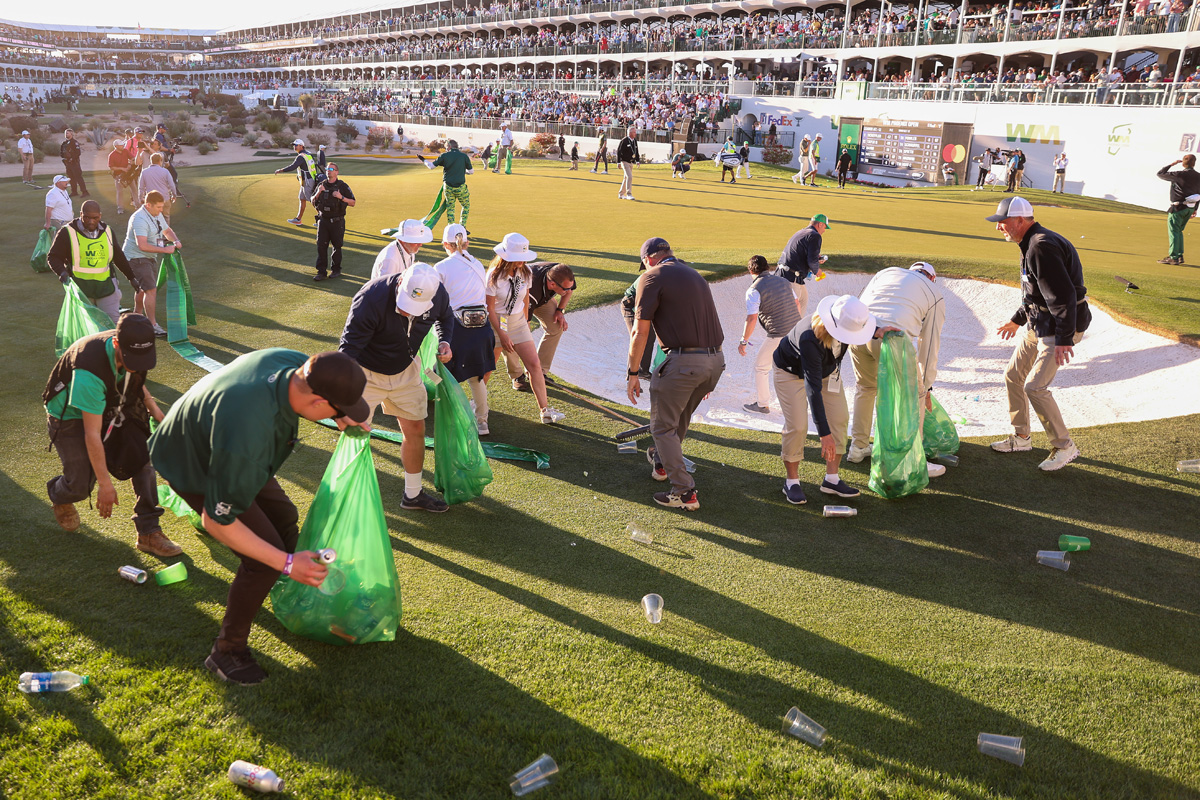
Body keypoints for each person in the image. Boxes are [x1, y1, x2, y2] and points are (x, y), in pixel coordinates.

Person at [149, 349, 371, 685]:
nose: (341, 416)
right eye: (338, 410)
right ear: (317, 402)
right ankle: (226, 650)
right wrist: (285, 562)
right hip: (191, 458)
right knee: (265, 560)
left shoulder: (295, 365)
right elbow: (216, 520)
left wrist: (341, 414)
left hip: (219, 435)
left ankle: (299, 593)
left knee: (284, 515)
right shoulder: (250, 435)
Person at [43, 313, 181, 556]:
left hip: (112, 401)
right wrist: (105, 485)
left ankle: (148, 532)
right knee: (81, 485)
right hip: (70, 416)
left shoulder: (133, 351)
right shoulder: (89, 372)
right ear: (117, 344)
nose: (137, 364)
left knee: (142, 458)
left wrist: (158, 413)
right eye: (132, 358)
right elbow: (92, 435)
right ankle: (59, 493)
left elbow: (137, 379)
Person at [986, 196, 1091, 471]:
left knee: (1035, 387)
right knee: (1013, 375)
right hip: (1039, 322)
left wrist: (1064, 339)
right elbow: (1035, 292)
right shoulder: (1029, 242)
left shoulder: (1040, 246)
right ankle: (1022, 437)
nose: (999, 228)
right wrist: (1017, 320)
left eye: (1003, 222)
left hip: (1057, 327)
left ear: (1020, 220)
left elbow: (1063, 296)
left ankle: (1064, 446)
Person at [340, 264, 452, 512]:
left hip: (407, 370)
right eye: (403, 304)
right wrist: (343, 393)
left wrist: (445, 341)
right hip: (366, 373)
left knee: (415, 429)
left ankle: (413, 495)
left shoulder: (438, 292)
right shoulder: (370, 297)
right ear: (401, 282)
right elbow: (348, 348)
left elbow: (446, 317)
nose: (405, 312)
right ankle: (349, 500)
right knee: (356, 435)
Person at [626, 237, 724, 511]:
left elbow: (639, 331)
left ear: (648, 259)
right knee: (679, 417)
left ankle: (684, 491)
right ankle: (661, 463)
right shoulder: (694, 274)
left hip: (683, 363)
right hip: (715, 361)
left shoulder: (651, 276)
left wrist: (633, 372)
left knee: (661, 426)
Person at [774, 295, 893, 505]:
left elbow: (861, 322)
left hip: (828, 372)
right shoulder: (809, 338)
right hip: (790, 373)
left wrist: (877, 331)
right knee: (798, 426)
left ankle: (831, 479)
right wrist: (824, 434)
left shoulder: (848, 313)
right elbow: (813, 390)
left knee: (839, 418)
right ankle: (791, 482)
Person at [847, 262, 947, 479]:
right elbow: (929, 346)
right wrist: (927, 386)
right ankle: (915, 460)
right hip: (891, 338)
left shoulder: (887, 273)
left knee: (865, 388)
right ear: (931, 278)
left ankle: (858, 448)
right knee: (915, 395)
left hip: (860, 333)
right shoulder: (934, 293)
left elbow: (861, 303)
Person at [486, 233, 566, 424]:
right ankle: (474, 403)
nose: (522, 260)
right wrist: (502, 334)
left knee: (534, 366)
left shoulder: (526, 272)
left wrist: (525, 321)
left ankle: (545, 411)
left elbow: (525, 298)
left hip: (518, 322)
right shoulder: (494, 276)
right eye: (518, 257)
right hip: (498, 322)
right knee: (488, 367)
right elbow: (489, 308)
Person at [434, 224, 495, 435]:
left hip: (455, 329)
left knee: (440, 374)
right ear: (466, 242)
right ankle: (482, 423)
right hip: (482, 329)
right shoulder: (478, 264)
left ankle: (450, 417)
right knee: (477, 378)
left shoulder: (440, 267)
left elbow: (436, 302)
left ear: (445, 244)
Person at [49, 200, 143, 325]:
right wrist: (61, 272)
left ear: (100, 216)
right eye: (86, 217)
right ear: (81, 214)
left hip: (106, 287)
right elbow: (53, 257)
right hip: (81, 289)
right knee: (87, 326)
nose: (91, 221)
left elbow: (118, 256)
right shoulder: (67, 232)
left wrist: (131, 277)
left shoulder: (108, 231)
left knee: (112, 325)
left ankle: (111, 345)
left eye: (95, 218)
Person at [738, 255, 801, 415]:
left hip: (778, 334)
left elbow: (751, 318)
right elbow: (797, 304)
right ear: (767, 268)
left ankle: (763, 405)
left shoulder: (753, 289)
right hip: (797, 331)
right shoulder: (784, 282)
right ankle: (800, 404)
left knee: (761, 367)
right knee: (795, 369)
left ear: (751, 270)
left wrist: (743, 341)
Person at [505, 262, 575, 391]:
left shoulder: (564, 275)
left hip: (543, 298)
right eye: (565, 289)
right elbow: (525, 323)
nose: (569, 291)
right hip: (518, 300)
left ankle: (539, 372)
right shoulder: (532, 289)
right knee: (511, 336)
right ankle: (517, 375)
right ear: (553, 284)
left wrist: (560, 310)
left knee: (555, 327)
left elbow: (569, 291)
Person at [122, 190, 182, 337]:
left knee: (143, 289)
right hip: (136, 257)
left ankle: (137, 316)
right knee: (150, 290)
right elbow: (142, 245)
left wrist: (176, 241)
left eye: (162, 207)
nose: (161, 210)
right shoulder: (139, 219)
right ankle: (152, 325)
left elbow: (167, 230)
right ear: (148, 205)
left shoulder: (156, 213)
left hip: (148, 256)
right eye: (159, 207)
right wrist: (165, 250)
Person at [310, 163, 355, 282]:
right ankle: (321, 272)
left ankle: (336, 270)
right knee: (321, 246)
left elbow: (353, 202)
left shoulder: (342, 186)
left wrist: (341, 197)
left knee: (337, 246)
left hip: (337, 222)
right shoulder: (321, 185)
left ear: (337, 172)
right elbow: (312, 200)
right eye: (327, 169)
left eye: (331, 169)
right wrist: (319, 192)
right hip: (323, 221)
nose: (328, 171)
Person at [777, 214, 831, 312]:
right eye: (824, 227)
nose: (824, 230)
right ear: (820, 224)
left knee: (803, 300)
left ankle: (798, 327)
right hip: (790, 278)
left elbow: (806, 255)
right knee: (791, 314)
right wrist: (817, 271)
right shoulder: (815, 236)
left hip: (788, 275)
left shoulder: (801, 232)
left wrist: (816, 258)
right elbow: (811, 261)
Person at [419, 139, 473, 233]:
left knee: (450, 207)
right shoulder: (464, 156)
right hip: (460, 187)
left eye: (446, 147)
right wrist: (461, 171)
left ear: (449, 146)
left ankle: (451, 229)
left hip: (448, 187)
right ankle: (462, 226)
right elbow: (471, 172)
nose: (445, 149)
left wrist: (423, 160)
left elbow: (431, 166)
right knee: (466, 205)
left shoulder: (444, 155)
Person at [1155, 154, 1200, 265]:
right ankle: (1179, 256)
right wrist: (1195, 208)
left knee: (1174, 231)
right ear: (1194, 163)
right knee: (1179, 231)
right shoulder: (1198, 176)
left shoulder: (1179, 174)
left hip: (1178, 207)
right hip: (1190, 208)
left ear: (1183, 163)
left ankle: (1174, 257)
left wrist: (1171, 164)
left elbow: (1160, 174)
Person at [273, 139, 326, 226]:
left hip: (308, 182)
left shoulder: (301, 156)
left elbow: (293, 167)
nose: (295, 146)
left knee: (313, 201)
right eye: (294, 145)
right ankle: (298, 219)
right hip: (307, 180)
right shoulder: (308, 154)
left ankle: (324, 220)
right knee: (302, 199)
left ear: (301, 146)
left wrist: (281, 170)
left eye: (296, 145)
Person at [108, 140, 135, 215]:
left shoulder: (125, 151)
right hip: (118, 176)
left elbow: (133, 158)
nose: (123, 146)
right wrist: (122, 168)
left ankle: (138, 205)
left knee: (134, 189)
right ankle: (120, 208)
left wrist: (129, 164)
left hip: (128, 174)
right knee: (120, 192)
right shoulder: (112, 155)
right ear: (116, 146)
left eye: (123, 145)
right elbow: (112, 167)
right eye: (121, 145)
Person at [59, 128, 88, 197]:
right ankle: (74, 191)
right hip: (67, 163)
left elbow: (78, 153)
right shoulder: (64, 143)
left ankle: (84, 192)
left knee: (78, 177)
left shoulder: (74, 142)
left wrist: (72, 158)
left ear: (71, 134)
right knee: (71, 177)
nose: (66, 134)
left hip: (74, 163)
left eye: (68, 133)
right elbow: (61, 152)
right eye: (65, 133)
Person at [616, 126, 639, 200]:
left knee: (626, 178)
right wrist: (618, 162)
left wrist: (637, 161)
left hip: (631, 162)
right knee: (629, 177)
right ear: (630, 133)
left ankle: (621, 194)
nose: (635, 133)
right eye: (634, 132)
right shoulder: (624, 140)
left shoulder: (634, 140)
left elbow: (636, 151)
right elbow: (619, 151)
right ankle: (629, 194)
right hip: (624, 162)